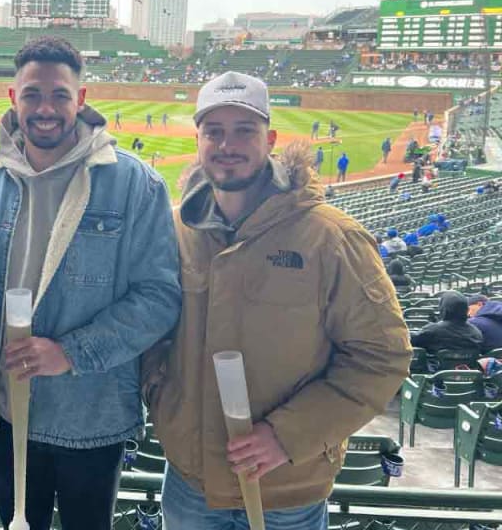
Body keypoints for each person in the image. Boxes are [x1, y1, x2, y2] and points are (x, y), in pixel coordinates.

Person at [141, 71, 410, 529]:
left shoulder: (331, 237)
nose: (228, 145)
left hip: (286, 491)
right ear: (199, 139)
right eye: (215, 131)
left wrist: (287, 436)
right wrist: (161, 397)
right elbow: (150, 328)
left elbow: (382, 356)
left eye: (244, 130)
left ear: (271, 139)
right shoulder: (173, 230)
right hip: (190, 486)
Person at [0, 36, 181, 530]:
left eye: (60, 95)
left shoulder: (136, 184)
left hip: (91, 419)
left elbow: (159, 297)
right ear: (13, 99)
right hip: (4, 418)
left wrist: (70, 352)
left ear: (81, 100)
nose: (46, 108)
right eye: (32, 94)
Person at [412, 291, 483, 354]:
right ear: (466, 309)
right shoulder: (476, 332)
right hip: (468, 368)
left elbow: (412, 342)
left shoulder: (433, 330)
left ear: (443, 308)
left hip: (436, 368)